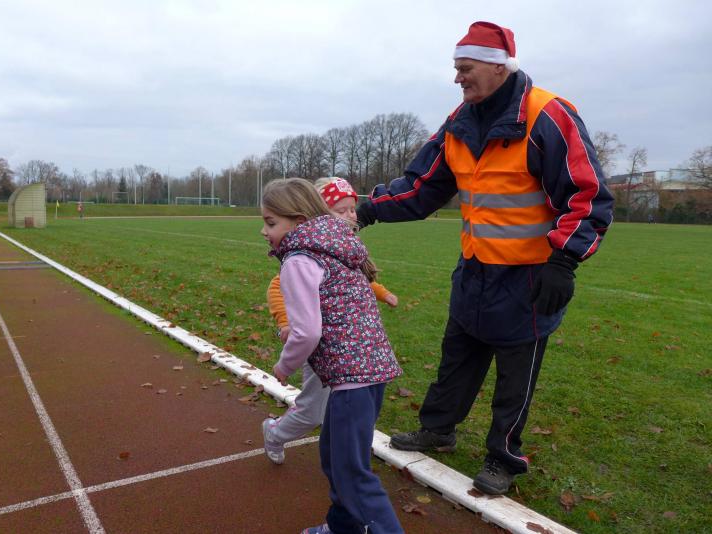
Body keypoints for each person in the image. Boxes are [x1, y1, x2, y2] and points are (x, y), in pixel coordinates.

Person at [357, 21, 614, 495]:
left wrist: (564, 262)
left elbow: (587, 195)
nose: (457, 77)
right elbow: (421, 187)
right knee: (457, 358)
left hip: (529, 277)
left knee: (515, 379)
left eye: (465, 68)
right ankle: (438, 429)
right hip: (474, 270)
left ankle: (503, 457)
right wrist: (367, 209)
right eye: (456, 68)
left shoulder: (548, 115)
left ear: (499, 68)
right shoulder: (458, 123)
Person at [261, 178, 404, 534]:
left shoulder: (298, 259)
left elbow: (307, 332)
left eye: (270, 223)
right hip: (373, 374)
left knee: (352, 473)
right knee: (334, 456)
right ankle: (343, 527)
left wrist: (284, 365)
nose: (264, 231)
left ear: (297, 221)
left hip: (352, 381)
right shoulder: (337, 247)